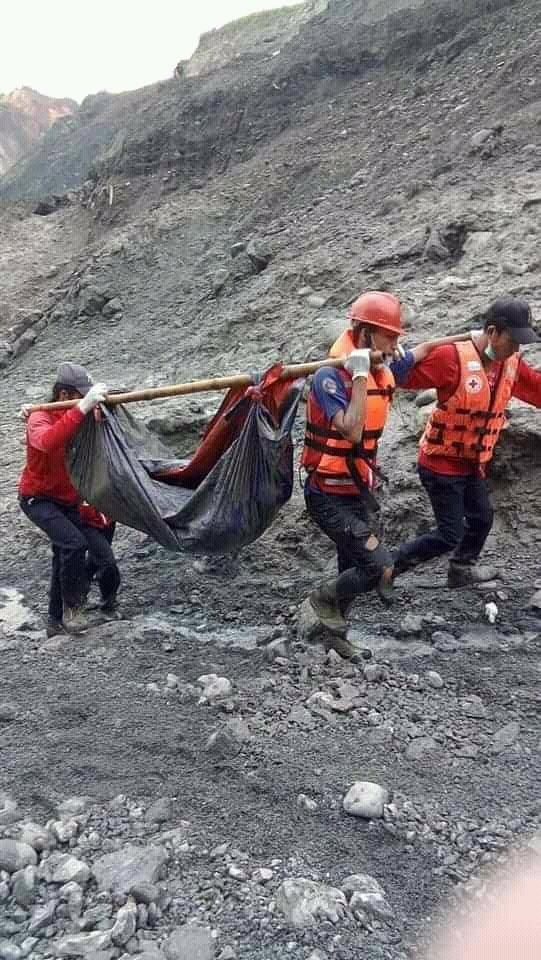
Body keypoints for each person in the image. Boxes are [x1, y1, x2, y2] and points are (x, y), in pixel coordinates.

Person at [301, 290, 481, 656]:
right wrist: (360, 374)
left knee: (351, 564)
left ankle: (335, 638)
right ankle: (320, 599)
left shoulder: (382, 368)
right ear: (365, 333)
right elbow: (352, 431)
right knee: (378, 566)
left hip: (355, 490)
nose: (395, 345)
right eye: (389, 337)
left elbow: (424, 349)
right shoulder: (329, 377)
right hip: (326, 493)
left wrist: (471, 339)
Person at [392, 296, 541, 586]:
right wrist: (401, 361)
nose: (516, 349)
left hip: (472, 464)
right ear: (492, 332)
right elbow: (400, 378)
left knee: (482, 518)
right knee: (449, 534)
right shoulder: (450, 358)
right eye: (512, 341)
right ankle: (386, 568)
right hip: (440, 464)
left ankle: (460, 570)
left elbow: (536, 389)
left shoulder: (510, 363)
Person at [18, 363, 112, 636]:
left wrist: (98, 400)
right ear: (63, 395)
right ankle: (73, 608)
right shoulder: (39, 417)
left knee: (63, 554)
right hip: (38, 498)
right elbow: (47, 441)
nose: (84, 400)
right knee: (73, 543)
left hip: (67, 500)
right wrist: (82, 407)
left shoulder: (81, 414)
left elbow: (109, 405)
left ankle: (54, 620)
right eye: (80, 395)